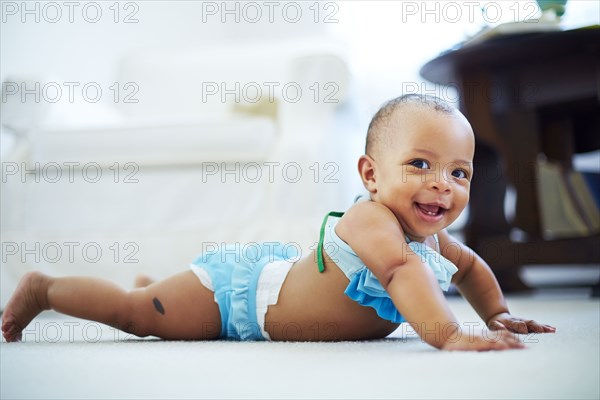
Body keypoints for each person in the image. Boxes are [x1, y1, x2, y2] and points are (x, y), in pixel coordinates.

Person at [1, 94, 555, 350]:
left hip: (268, 285)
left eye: (460, 173)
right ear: (370, 175)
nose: (442, 184)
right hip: (234, 299)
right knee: (138, 315)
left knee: (160, 302)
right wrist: (452, 333)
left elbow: (472, 268)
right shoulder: (372, 223)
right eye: (420, 165)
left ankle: (158, 285)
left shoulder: (432, 235)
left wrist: (499, 314)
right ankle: (45, 289)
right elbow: (401, 274)